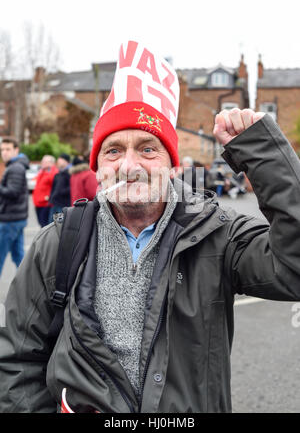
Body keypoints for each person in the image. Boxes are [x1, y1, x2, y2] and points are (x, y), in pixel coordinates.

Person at [1, 41, 300, 414]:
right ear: (98, 169)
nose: (129, 165)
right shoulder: (60, 241)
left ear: (173, 166)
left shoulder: (218, 234)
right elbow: (17, 359)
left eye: (147, 149)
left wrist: (263, 152)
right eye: (113, 151)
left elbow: (294, 269)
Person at [0, 137, 29, 276]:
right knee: (19, 257)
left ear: (16, 150)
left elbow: (13, 192)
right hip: (16, 218)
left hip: (10, 220)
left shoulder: (15, 168)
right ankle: (29, 290)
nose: (4, 153)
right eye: (2, 150)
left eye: (8, 149)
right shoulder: (15, 166)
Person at [32, 155, 58, 227]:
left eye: (45, 161)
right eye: (42, 161)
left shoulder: (54, 173)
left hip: (46, 204)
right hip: (38, 203)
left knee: (46, 226)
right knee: (41, 224)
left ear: (51, 163)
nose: (42, 163)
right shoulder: (42, 172)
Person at [48, 153, 71, 222]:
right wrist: (51, 198)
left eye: (60, 160)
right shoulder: (58, 174)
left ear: (65, 161)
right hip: (55, 204)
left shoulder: (70, 173)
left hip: (63, 205)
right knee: (51, 224)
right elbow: (53, 188)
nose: (58, 162)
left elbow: (72, 188)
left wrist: (61, 192)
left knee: (59, 225)